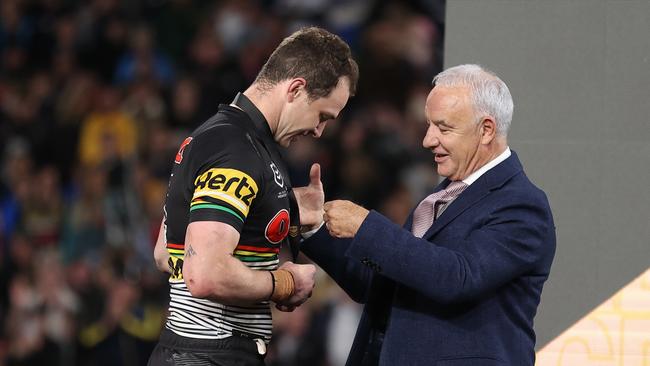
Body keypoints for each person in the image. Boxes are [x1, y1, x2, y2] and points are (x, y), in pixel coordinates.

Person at [298, 64, 556, 365]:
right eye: (429, 125)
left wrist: (367, 226)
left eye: (443, 128)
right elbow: (383, 282)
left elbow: (458, 277)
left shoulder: (522, 205)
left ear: (486, 130)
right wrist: (314, 227)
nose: (428, 140)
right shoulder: (444, 194)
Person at [148, 27, 358, 366]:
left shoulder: (220, 137)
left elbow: (165, 253)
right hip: (208, 356)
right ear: (295, 89)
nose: (319, 131)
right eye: (322, 116)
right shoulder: (237, 151)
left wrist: (287, 206)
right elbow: (204, 273)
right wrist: (283, 284)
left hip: (195, 353)